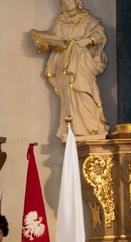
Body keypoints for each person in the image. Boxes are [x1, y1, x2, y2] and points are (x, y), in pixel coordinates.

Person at [30, 0, 109, 142]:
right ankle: (73, 126)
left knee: (84, 90)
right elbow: (55, 38)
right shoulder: (60, 21)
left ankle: (90, 126)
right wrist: (41, 42)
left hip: (81, 62)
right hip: (63, 65)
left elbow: (99, 34)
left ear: (77, 1)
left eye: (69, 0)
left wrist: (88, 40)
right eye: (63, 2)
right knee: (69, 96)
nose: (66, 4)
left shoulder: (87, 19)